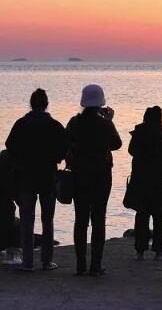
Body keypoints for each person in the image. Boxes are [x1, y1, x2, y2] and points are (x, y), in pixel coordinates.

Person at [5, 89, 67, 271]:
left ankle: (28, 261)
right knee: (47, 220)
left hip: (25, 178)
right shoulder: (55, 126)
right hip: (47, 177)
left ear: (31, 104)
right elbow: (64, 148)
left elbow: (10, 147)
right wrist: (54, 158)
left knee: (26, 219)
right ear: (46, 104)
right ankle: (46, 261)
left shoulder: (21, 124)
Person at [66, 84, 122, 276]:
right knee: (99, 219)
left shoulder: (74, 122)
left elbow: (65, 143)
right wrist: (109, 121)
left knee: (80, 220)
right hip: (101, 176)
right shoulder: (104, 124)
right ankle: (95, 265)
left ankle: (80, 264)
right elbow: (117, 143)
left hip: (79, 175)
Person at [129, 106, 162, 260]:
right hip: (159, 180)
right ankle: (159, 250)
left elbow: (131, 151)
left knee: (141, 215)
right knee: (160, 216)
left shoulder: (138, 132)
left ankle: (140, 250)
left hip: (140, 179)